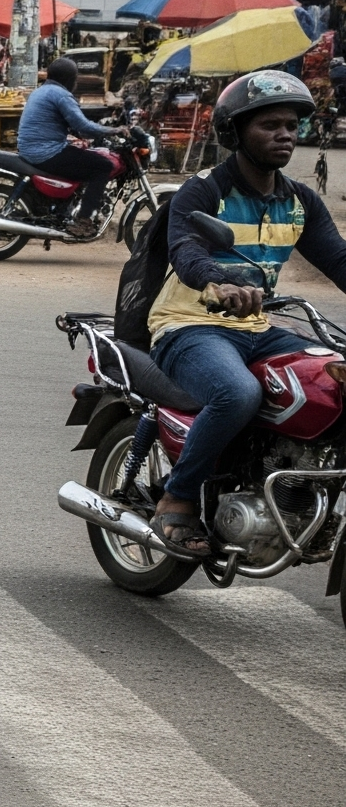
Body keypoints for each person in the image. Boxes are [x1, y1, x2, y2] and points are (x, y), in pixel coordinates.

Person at [145, 70, 346, 558]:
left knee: (333, 383)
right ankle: (179, 498)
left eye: (292, 126)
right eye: (270, 125)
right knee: (237, 392)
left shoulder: (299, 201)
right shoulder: (204, 190)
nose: (285, 135)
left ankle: (307, 500)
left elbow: (339, 261)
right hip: (189, 324)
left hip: (258, 327)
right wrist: (221, 281)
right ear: (235, 132)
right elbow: (186, 249)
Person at [16, 56, 116, 218]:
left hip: (29, 150)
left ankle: (64, 208)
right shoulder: (61, 94)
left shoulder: (40, 91)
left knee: (80, 157)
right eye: (75, 79)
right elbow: (83, 127)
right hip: (45, 153)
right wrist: (114, 130)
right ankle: (84, 220)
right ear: (69, 79)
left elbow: (70, 124)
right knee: (103, 166)